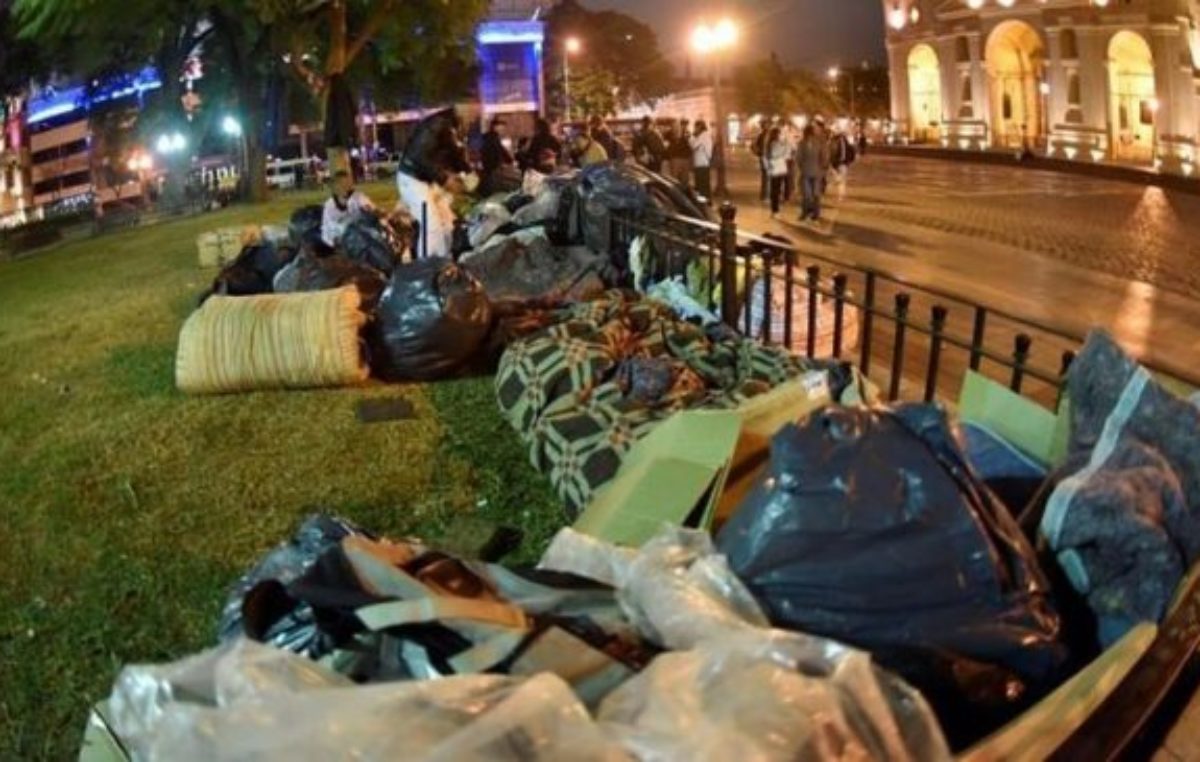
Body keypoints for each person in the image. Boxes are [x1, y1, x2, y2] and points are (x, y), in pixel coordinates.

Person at [321, 169, 375, 247]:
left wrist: (375, 211)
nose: (345, 187)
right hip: (335, 238)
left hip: (359, 234)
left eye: (347, 183)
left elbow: (372, 208)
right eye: (341, 184)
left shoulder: (358, 196)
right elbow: (332, 227)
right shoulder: (330, 205)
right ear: (336, 187)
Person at [798, 124, 829, 223]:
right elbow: (799, 157)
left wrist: (823, 167)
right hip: (809, 171)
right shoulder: (802, 143)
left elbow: (824, 156)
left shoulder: (819, 143)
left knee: (813, 194)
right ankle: (808, 213)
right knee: (809, 194)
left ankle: (813, 213)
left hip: (813, 171)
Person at [479, 117, 516, 195]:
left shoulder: (490, 138)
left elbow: (502, 150)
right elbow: (501, 151)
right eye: (502, 129)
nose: (503, 131)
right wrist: (510, 160)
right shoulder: (493, 139)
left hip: (489, 169)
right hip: (492, 169)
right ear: (496, 128)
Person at [766, 126, 790, 217]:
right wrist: (785, 145)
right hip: (778, 167)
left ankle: (775, 210)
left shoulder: (771, 143)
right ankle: (775, 210)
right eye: (779, 133)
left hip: (775, 168)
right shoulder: (775, 144)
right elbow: (783, 154)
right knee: (776, 189)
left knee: (775, 189)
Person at [689, 119, 715, 199]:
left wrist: (692, 136)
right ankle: (706, 201)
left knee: (701, 186)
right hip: (703, 163)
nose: (695, 129)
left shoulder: (703, 136)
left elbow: (693, 146)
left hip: (702, 164)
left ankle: (704, 202)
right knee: (704, 185)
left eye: (696, 127)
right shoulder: (705, 135)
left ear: (700, 127)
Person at [666, 122, 693, 188]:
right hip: (676, 159)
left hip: (684, 159)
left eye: (678, 128)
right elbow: (669, 147)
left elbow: (689, 148)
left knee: (684, 179)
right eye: (675, 128)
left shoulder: (685, 137)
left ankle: (684, 191)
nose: (677, 129)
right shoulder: (670, 136)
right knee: (674, 178)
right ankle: (676, 192)